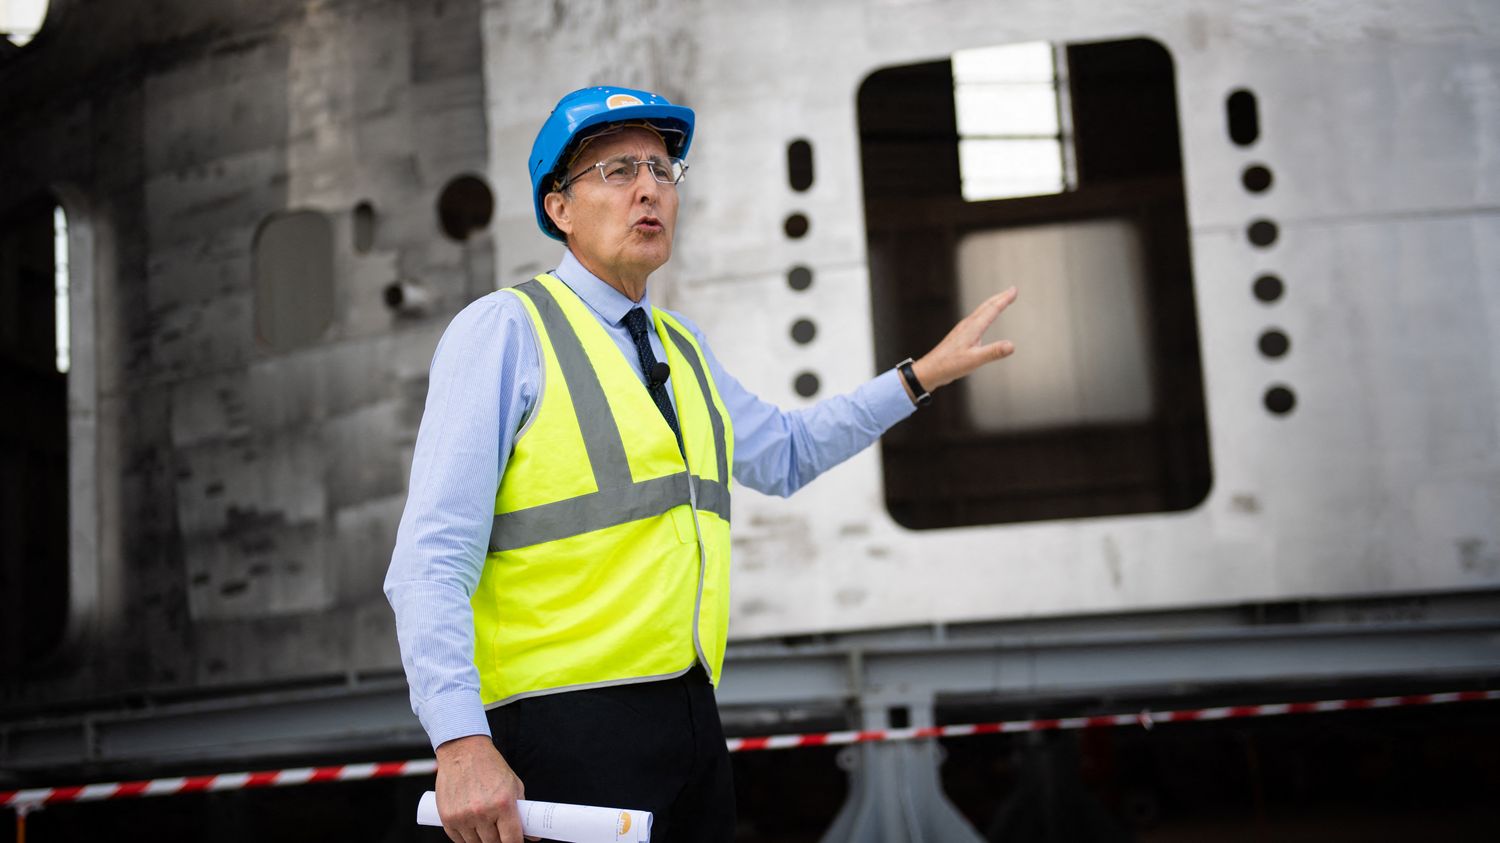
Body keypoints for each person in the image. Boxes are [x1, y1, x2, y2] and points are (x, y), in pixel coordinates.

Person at [384, 85, 1018, 843]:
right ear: (559, 208)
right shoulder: (505, 332)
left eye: (661, 168)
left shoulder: (680, 347)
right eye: (618, 170)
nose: (650, 187)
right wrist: (459, 740)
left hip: (687, 718)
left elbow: (784, 454)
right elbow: (430, 560)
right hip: (559, 726)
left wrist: (918, 379)